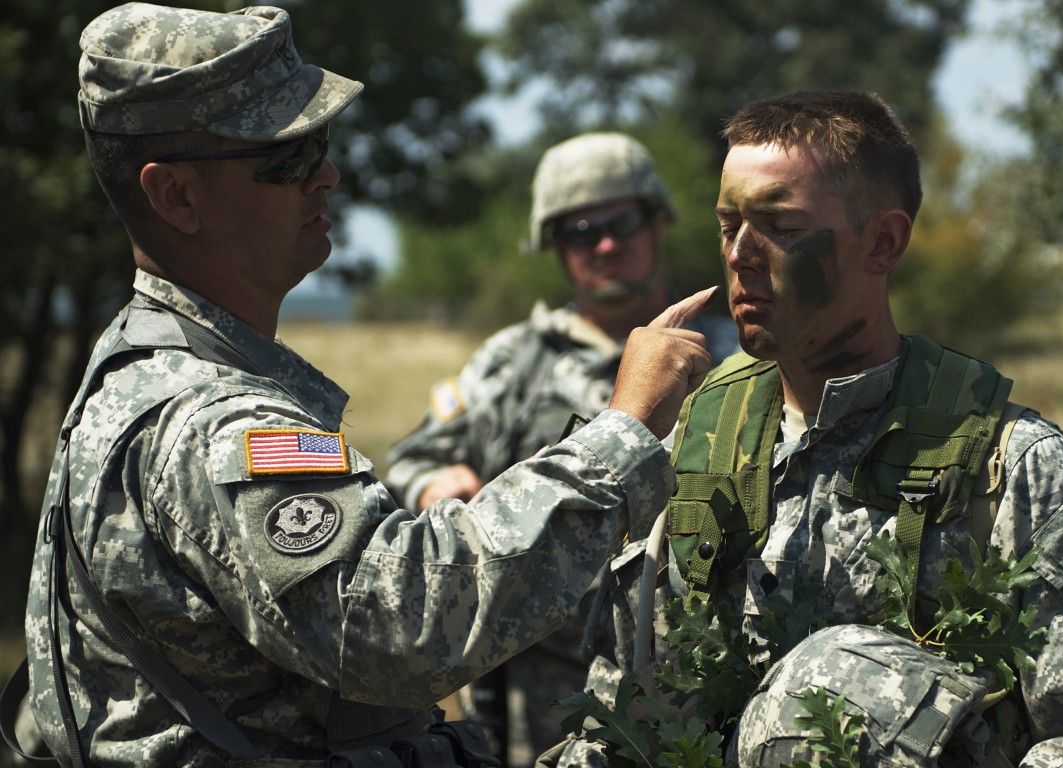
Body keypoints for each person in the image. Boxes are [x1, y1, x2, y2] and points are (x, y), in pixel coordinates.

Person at [11, 4, 715, 766]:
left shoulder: (141, 364)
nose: (327, 173)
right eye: (283, 157)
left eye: (319, 143)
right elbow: (399, 625)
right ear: (176, 196)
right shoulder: (214, 421)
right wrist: (624, 431)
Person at [552, 91, 1063, 768]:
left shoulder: (1014, 467)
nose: (739, 254)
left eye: (782, 226)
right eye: (727, 224)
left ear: (883, 242)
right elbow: (622, 727)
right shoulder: (690, 450)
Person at [385, 132, 737, 766]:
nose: (606, 244)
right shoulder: (514, 362)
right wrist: (443, 486)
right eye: (580, 231)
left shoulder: (732, 353)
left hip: (706, 675)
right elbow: (415, 458)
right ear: (555, 248)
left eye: (623, 221)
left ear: (658, 223)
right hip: (546, 694)